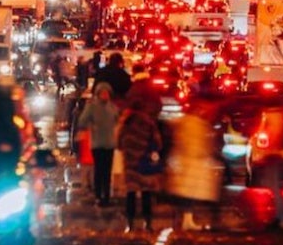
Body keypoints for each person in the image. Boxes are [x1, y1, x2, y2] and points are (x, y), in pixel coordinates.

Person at [166, 96, 224, 231]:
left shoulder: (185, 123)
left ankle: (186, 219)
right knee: (190, 194)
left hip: (186, 163)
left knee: (187, 195)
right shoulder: (197, 124)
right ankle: (189, 220)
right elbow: (200, 144)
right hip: (193, 163)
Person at [118, 89, 165, 233]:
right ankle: (147, 222)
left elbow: (118, 142)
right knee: (146, 193)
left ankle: (130, 223)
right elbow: (158, 143)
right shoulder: (148, 122)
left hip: (130, 163)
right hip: (144, 161)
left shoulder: (126, 122)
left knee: (131, 193)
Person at [76, 81, 121, 207]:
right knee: (99, 171)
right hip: (97, 143)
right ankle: (98, 195)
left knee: (107, 171)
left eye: (107, 93)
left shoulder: (112, 107)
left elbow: (118, 119)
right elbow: (82, 120)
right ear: (98, 94)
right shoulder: (92, 107)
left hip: (110, 143)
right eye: (102, 93)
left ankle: (106, 196)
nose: (105, 95)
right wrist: (91, 126)